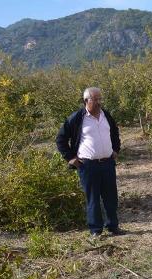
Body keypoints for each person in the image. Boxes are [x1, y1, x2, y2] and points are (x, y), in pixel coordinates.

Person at [56, 87, 124, 240]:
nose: (100, 103)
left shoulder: (106, 115)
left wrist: (116, 149)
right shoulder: (77, 118)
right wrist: (70, 158)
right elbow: (60, 139)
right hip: (88, 166)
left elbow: (114, 132)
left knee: (111, 197)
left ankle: (113, 226)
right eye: (96, 99)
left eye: (101, 99)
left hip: (107, 163)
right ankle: (96, 230)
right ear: (86, 101)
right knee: (92, 198)